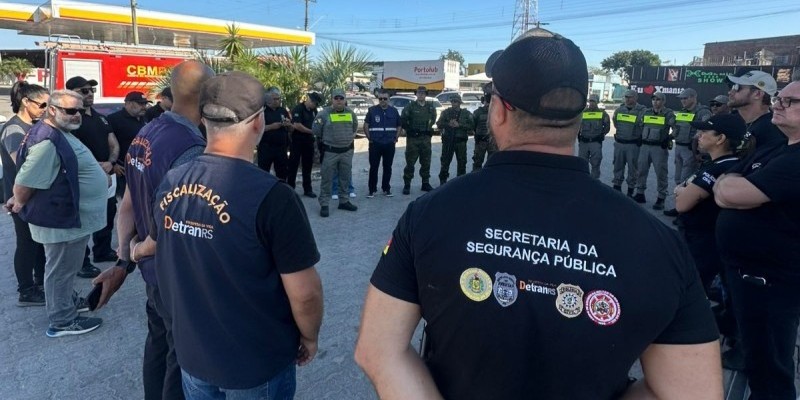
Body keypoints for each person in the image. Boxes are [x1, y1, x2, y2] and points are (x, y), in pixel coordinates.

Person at [355, 29, 722, 400]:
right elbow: (693, 393)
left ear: (498, 111)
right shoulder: (659, 244)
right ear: (579, 116)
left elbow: (378, 351)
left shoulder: (429, 215)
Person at [150, 71, 323, 400]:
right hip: (254, 363)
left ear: (203, 120)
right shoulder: (273, 196)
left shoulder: (172, 180)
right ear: (258, 122)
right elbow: (305, 293)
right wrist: (310, 336)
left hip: (193, 354)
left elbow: (159, 248)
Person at [93, 60, 214, 400]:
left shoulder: (148, 132)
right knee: (182, 358)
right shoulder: (190, 148)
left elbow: (128, 204)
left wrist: (123, 261)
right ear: (207, 95)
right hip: (177, 276)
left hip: (153, 275)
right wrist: (136, 252)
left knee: (159, 346)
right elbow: (181, 227)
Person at [713, 81, 800, 400]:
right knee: (759, 358)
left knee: (770, 368)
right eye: (779, 98)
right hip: (753, 276)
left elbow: (732, 192)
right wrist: (729, 186)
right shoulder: (781, 148)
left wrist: (730, 186)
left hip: (770, 283)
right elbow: (726, 185)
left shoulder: (796, 160)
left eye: (790, 101)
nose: (777, 104)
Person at [7, 90, 107, 337]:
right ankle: (62, 320)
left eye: (79, 110)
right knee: (61, 270)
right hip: (61, 221)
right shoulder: (47, 142)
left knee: (64, 268)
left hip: (68, 218)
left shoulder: (58, 133)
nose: (77, 115)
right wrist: (19, 201)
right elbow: (24, 182)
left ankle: (65, 302)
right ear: (52, 110)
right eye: (70, 110)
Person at [674, 114, 745, 293]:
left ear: (720, 139)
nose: (698, 135)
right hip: (710, 238)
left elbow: (682, 204)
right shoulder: (729, 163)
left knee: (690, 289)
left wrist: (681, 190)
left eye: (705, 131)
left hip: (702, 242)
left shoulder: (718, 168)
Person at [0, 82, 49, 306]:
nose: (45, 109)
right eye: (42, 105)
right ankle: (26, 291)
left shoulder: (35, 125)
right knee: (27, 243)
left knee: (38, 242)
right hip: (20, 198)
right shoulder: (14, 129)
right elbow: (21, 163)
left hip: (35, 196)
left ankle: (40, 281)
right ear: (26, 102)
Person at [66, 76, 118, 277]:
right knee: (84, 220)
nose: (90, 94)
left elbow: (113, 143)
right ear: (71, 93)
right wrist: (95, 167)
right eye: (84, 90)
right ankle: (82, 262)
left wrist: (111, 162)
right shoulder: (71, 119)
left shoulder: (101, 118)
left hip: (107, 174)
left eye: (92, 90)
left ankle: (102, 251)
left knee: (107, 214)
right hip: (85, 178)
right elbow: (70, 150)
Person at [663, 88, 712, 217]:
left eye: (685, 98)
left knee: (687, 181)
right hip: (679, 147)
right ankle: (679, 207)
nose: (683, 101)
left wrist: (696, 150)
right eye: (681, 99)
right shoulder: (682, 112)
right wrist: (670, 137)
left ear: (693, 97)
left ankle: (684, 211)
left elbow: (704, 130)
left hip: (690, 150)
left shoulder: (703, 112)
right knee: (678, 179)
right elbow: (677, 128)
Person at [313, 88, 358, 217]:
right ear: (332, 99)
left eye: (341, 98)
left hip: (346, 152)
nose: (339, 101)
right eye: (336, 98)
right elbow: (316, 130)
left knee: (345, 178)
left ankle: (344, 201)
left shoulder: (350, 113)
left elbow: (354, 127)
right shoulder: (323, 114)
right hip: (330, 152)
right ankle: (324, 204)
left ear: (345, 100)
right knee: (327, 179)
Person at [633, 92, 675, 210]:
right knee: (641, 170)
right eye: (653, 99)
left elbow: (676, 128)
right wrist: (640, 137)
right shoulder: (646, 112)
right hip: (645, 146)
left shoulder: (668, 114)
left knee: (661, 173)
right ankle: (640, 193)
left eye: (658, 100)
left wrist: (669, 138)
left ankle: (661, 198)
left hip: (659, 148)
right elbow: (640, 125)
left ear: (663, 101)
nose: (655, 102)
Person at [107, 91, 148, 199]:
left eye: (145, 104)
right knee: (127, 202)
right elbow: (108, 144)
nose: (144, 107)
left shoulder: (144, 118)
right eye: (140, 104)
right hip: (123, 170)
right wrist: (113, 164)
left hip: (143, 168)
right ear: (129, 103)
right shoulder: (114, 119)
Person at [364, 90, 401, 197]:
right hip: (375, 144)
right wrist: (369, 138)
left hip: (389, 143)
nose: (382, 100)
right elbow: (366, 125)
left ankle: (386, 189)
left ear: (389, 99)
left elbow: (399, 125)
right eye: (380, 99)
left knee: (387, 167)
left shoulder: (394, 111)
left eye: (385, 98)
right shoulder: (372, 110)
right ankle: (372, 190)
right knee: (374, 167)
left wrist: (396, 138)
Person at [401, 86, 436, 195]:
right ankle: (407, 184)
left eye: (423, 93)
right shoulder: (410, 106)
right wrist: (409, 130)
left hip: (426, 139)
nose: (421, 94)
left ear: (426, 94)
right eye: (419, 93)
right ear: (416, 94)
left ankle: (425, 183)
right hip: (413, 140)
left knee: (426, 162)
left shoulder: (431, 107)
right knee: (410, 162)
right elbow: (403, 120)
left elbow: (433, 119)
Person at [611, 89, 646, 196]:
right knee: (617, 166)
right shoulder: (619, 110)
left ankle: (630, 190)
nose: (627, 99)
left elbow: (644, 126)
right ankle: (617, 188)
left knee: (633, 168)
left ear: (636, 98)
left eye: (630, 97)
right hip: (620, 143)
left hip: (633, 145)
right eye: (626, 97)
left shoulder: (642, 111)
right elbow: (616, 123)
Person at [288, 92, 321, 198]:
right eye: (315, 103)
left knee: (307, 166)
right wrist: (312, 131)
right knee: (293, 165)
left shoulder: (314, 111)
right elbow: (297, 125)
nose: (316, 106)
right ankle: (290, 189)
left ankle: (308, 189)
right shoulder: (298, 109)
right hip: (297, 141)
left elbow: (317, 122)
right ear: (310, 100)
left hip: (308, 141)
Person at [436, 93, 473, 185]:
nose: (454, 103)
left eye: (456, 101)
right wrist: (448, 124)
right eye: (452, 101)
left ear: (459, 102)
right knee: (445, 162)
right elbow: (439, 124)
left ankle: (461, 183)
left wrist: (459, 125)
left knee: (462, 163)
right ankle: (443, 182)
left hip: (460, 142)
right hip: (448, 141)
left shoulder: (466, 113)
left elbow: (472, 126)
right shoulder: (446, 112)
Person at [257, 87, 292, 182]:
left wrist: (289, 125)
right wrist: (271, 126)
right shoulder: (261, 111)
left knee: (282, 174)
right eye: (275, 99)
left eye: (279, 98)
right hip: (266, 147)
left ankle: (282, 189)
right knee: (263, 173)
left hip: (281, 148)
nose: (278, 101)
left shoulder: (283, 111)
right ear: (268, 99)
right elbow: (256, 128)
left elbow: (291, 129)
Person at [577, 94, 610, 179]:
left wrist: (602, 134)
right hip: (584, 142)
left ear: (597, 102)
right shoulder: (583, 113)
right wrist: (578, 135)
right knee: (582, 163)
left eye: (593, 101)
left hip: (595, 142)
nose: (591, 103)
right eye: (590, 101)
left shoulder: (602, 113)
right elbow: (577, 125)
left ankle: (594, 181)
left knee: (596, 163)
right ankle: (583, 180)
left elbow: (607, 126)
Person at [471, 83, 497, 171]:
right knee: (477, 162)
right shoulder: (478, 112)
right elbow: (472, 126)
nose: (488, 104)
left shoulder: (497, 112)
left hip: (492, 142)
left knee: (492, 163)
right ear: (483, 101)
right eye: (487, 101)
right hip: (480, 141)